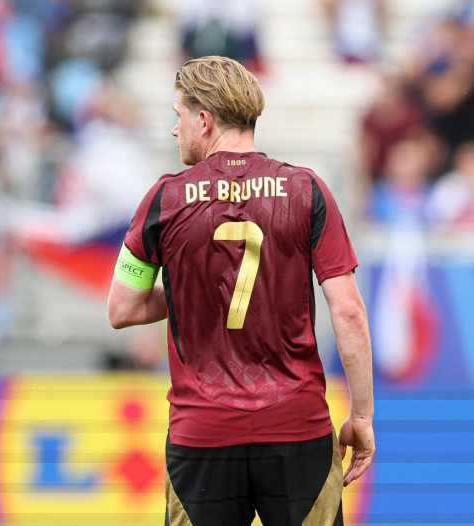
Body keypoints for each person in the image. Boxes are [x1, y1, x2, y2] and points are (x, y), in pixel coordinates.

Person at [107, 56, 374, 525]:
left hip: (201, 434)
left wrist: (195, 289)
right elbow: (348, 311)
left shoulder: (163, 199)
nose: (174, 130)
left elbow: (122, 308)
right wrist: (362, 417)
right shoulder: (307, 190)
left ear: (204, 120)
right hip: (298, 429)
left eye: (178, 115)